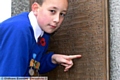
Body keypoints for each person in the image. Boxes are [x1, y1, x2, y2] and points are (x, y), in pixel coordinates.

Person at [0, 0, 81, 76]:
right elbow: (10, 74)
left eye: (62, 14)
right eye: (52, 11)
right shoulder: (19, 31)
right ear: (36, 9)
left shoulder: (43, 31)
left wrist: (52, 59)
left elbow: (30, 65)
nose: (57, 20)